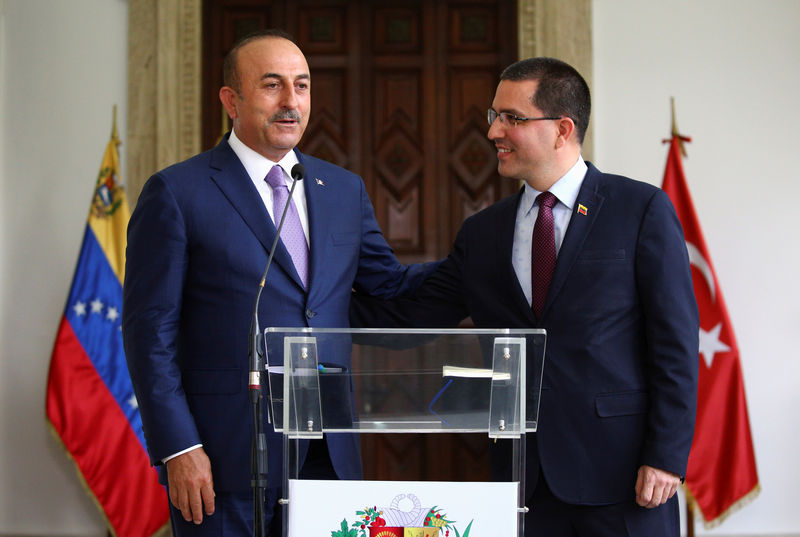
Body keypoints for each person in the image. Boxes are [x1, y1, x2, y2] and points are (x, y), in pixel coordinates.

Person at [350, 57, 699, 536]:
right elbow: (409, 312)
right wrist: (310, 302)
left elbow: (675, 344)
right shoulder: (484, 232)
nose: (494, 131)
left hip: (625, 479)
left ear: (562, 129)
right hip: (524, 485)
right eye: (493, 116)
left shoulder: (640, 210)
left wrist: (666, 456)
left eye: (511, 118)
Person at [122, 29, 436, 537]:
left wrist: (477, 261)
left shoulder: (342, 189)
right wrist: (179, 447)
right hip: (223, 461)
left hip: (326, 458)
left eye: (303, 86)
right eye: (272, 85)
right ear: (231, 99)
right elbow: (147, 334)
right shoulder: (177, 193)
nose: (292, 101)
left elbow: (391, 290)